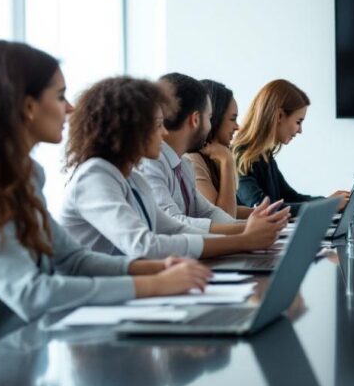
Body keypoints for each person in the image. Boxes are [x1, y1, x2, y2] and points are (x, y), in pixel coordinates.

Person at [0, 41, 210, 347]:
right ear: (28, 107)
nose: (70, 108)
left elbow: (73, 259)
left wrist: (157, 268)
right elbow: (31, 294)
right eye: (60, 96)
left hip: (16, 347)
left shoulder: (24, 178)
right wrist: (151, 285)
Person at [59, 76, 287, 260]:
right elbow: (144, 245)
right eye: (158, 125)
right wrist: (243, 240)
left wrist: (248, 234)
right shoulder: (95, 176)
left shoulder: (133, 179)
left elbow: (175, 229)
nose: (164, 132)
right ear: (131, 129)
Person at [137, 72, 265, 231]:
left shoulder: (183, 164)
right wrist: (246, 230)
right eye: (209, 118)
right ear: (195, 119)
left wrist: (253, 228)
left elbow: (207, 212)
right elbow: (172, 223)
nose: (210, 126)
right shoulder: (151, 163)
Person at [234, 79, 350, 216]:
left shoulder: (265, 155)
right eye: (298, 122)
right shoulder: (241, 157)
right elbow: (262, 208)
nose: (300, 130)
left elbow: (290, 197)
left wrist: (327, 202)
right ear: (279, 116)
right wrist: (327, 206)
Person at [184, 78, 250, 218]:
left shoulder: (214, 156)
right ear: (214, 119)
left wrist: (266, 214)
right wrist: (227, 161)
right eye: (232, 119)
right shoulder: (192, 160)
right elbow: (225, 217)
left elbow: (231, 209)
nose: (237, 127)